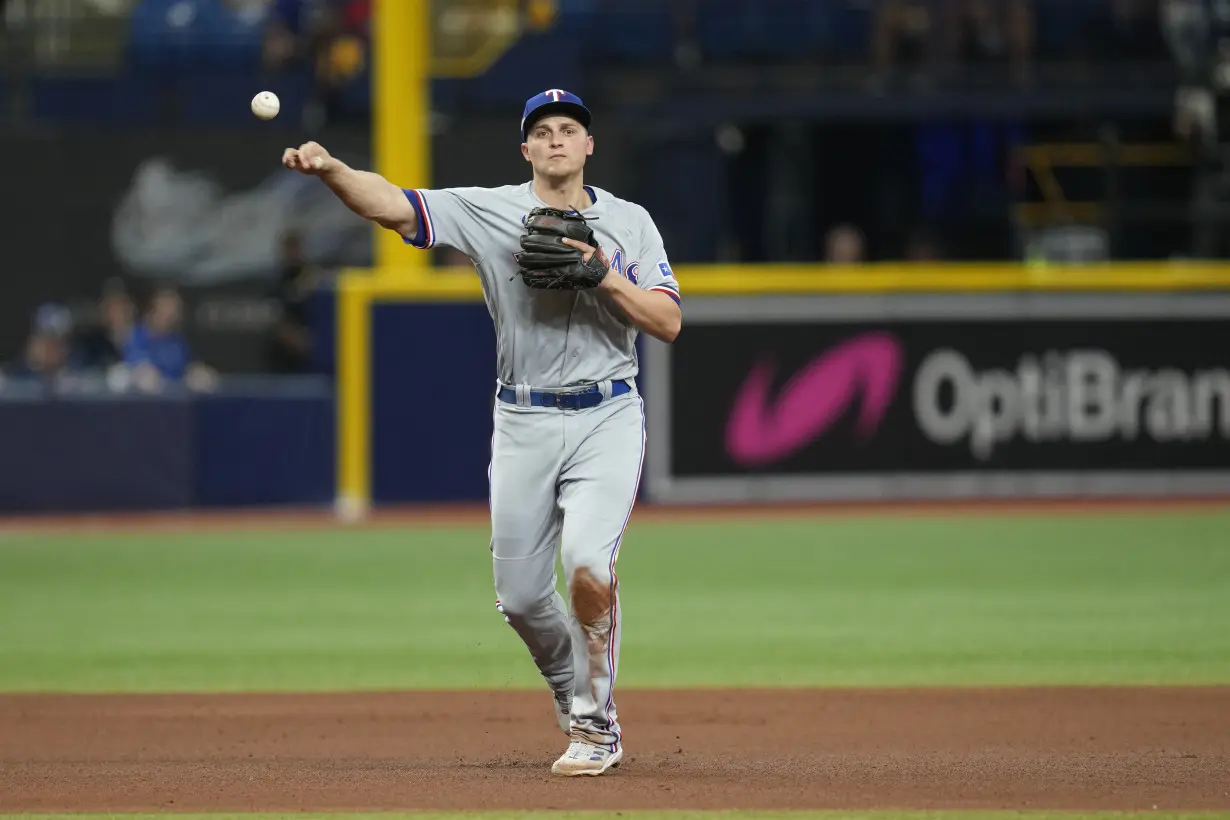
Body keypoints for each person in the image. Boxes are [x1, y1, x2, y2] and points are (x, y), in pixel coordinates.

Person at [281, 88, 682, 777]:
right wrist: (332, 171)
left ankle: (594, 724)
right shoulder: (489, 209)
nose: (558, 139)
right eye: (543, 131)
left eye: (570, 129)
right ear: (526, 149)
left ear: (589, 146)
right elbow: (395, 204)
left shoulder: (630, 223)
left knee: (588, 563)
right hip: (522, 418)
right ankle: (569, 685)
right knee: (522, 599)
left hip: (607, 415)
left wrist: (602, 275)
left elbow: (667, 321)